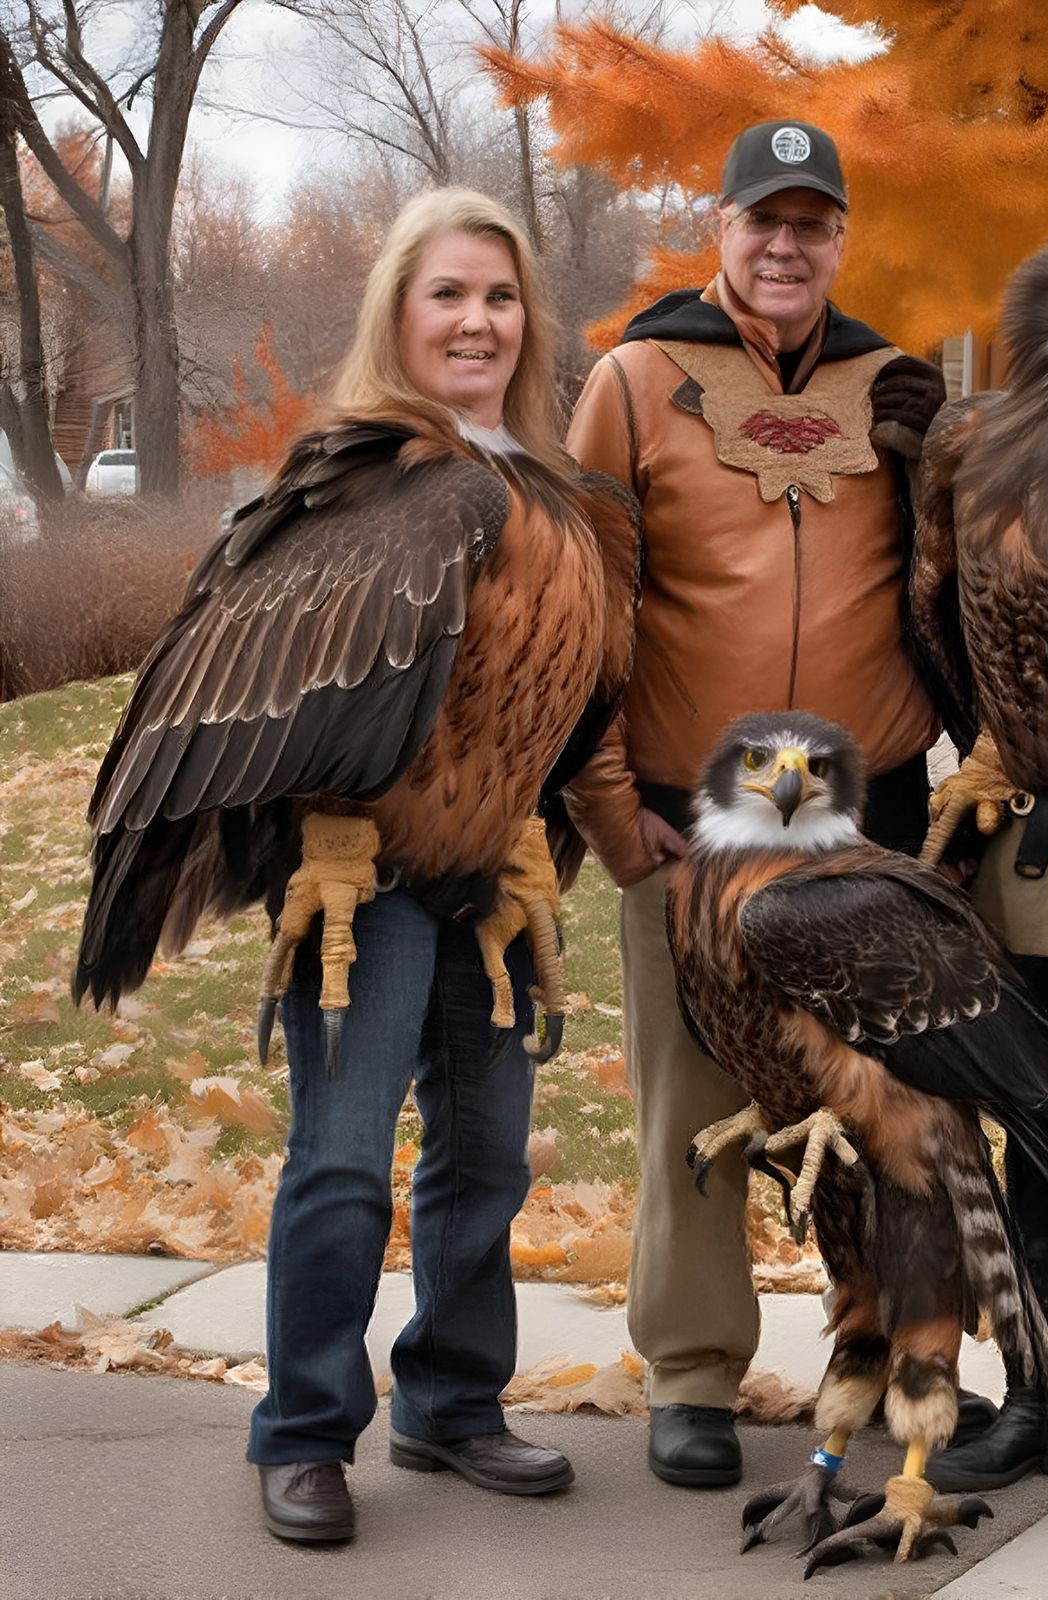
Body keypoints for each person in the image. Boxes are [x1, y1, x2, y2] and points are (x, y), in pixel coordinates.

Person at [74, 187, 640, 1545]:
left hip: (486, 879)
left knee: (490, 1156)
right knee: (339, 1161)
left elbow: (566, 717)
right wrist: (324, 834)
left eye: (500, 298)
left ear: (528, 324)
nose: (477, 321)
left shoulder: (573, 509)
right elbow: (324, 721)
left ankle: (452, 1403)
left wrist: (541, 832)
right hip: (361, 881)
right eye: (448, 293)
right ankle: (307, 1432)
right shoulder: (394, 489)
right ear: (400, 311)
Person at [563, 119, 948, 1488]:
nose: (787, 246)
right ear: (717, 227)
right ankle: (691, 1372)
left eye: (813, 222)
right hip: (692, 814)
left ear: (841, 238)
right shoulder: (633, 380)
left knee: (888, 1110)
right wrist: (615, 817)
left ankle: (908, 1358)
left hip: (870, 818)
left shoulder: (894, 386)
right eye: (762, 220)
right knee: (693, 1108)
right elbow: (581, 609)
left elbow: (944, 585)